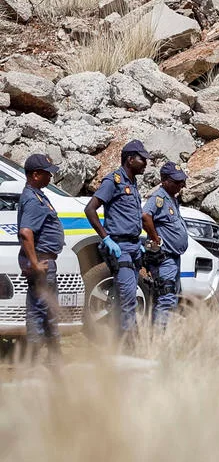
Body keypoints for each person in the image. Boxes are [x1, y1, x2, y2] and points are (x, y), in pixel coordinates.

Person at [85, 140, 150, 338]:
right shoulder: (113, 181)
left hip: (133, 245)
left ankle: (119, 342)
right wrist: (106, 238)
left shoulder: (132, 183)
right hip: (119, 246)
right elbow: (90, 209)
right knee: (128, 298)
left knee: (125, 298)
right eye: (142, 159)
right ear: (130, 159)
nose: (146, 163)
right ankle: (129, 344)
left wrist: (139, 243)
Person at [18, 154, 64, 363]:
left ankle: (51, 359)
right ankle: (37, 359)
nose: (50, 177)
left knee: (46, 310)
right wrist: (35, 263)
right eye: (47, 173)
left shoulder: (37, 195)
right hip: (42, 263)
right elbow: (26, 233)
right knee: (41, 310)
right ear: (35, 175)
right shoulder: (32, 199)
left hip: (44, 262)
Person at [140, 162, 189, 329]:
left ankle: (161, 334)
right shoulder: (158, 198)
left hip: (173, 258)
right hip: (164, 258)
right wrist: (155, 237)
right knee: (165, 297)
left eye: (182, 181)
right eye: (176, 182)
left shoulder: (172, 199)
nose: (180, 185)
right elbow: (145, 216)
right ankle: (157, 339)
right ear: (165, 180)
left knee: (171, 298)